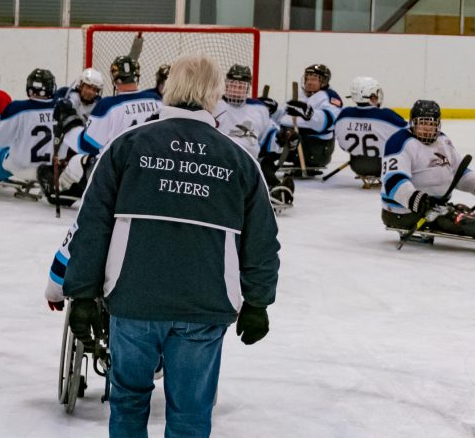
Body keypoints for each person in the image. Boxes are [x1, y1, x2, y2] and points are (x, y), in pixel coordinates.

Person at [45, 54, 280, 438]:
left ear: (169, 89)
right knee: (190, 413)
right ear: (214, 94)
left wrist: (82, 294)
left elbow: (91, 228)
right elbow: (262, 243)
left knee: (129, 403)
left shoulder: (125, 147)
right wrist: (258, 302)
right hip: (205, 306)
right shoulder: (239, 160)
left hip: (133, 301)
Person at [381, 99, 475, 246]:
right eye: (423, 123)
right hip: (403, 212)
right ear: (413, 122)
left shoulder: (442, 140)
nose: (427, 129)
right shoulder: (399, 142)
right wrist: (418, 201)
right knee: (454, 218)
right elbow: (393, 181)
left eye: (432, 124)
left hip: (435, 207)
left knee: (458, 214)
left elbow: (459, 174)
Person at [46, 56, 162, 197]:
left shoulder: (108, 105)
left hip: (119, 176)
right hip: (151, 172)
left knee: (78, 160)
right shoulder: (157, 100)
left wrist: (69, 124)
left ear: (114, 79)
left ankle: (59, 191)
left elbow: (86, 145)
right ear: (137, 76)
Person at [215, 64, 294, 208]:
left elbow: (269, 137)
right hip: (221, 161)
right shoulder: (214, 105)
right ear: (225, 85)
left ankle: (275, 190)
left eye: (241, 86)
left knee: (266, 162)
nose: (236, 90)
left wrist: (281, 137)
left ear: (248, 88)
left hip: (251, 162)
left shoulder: (259, 108)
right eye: (233, 85)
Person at [334, 76, 406, 185]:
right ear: (372, 96)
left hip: (357, 166)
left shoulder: (344, 115)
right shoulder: (386, 116)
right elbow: (411, 134)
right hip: (385, 166)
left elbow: (342, 144)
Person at [277, 63, 342, 170]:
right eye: (308, 78)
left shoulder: (329, 96)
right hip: (294, 140)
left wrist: (310, 114)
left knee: (291, 134)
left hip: (316, 148)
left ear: (324, 82)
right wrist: (271, 110)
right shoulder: (300, 94)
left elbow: (330, 121)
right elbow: (282, 116)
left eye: (314, 79)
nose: (309, 82)